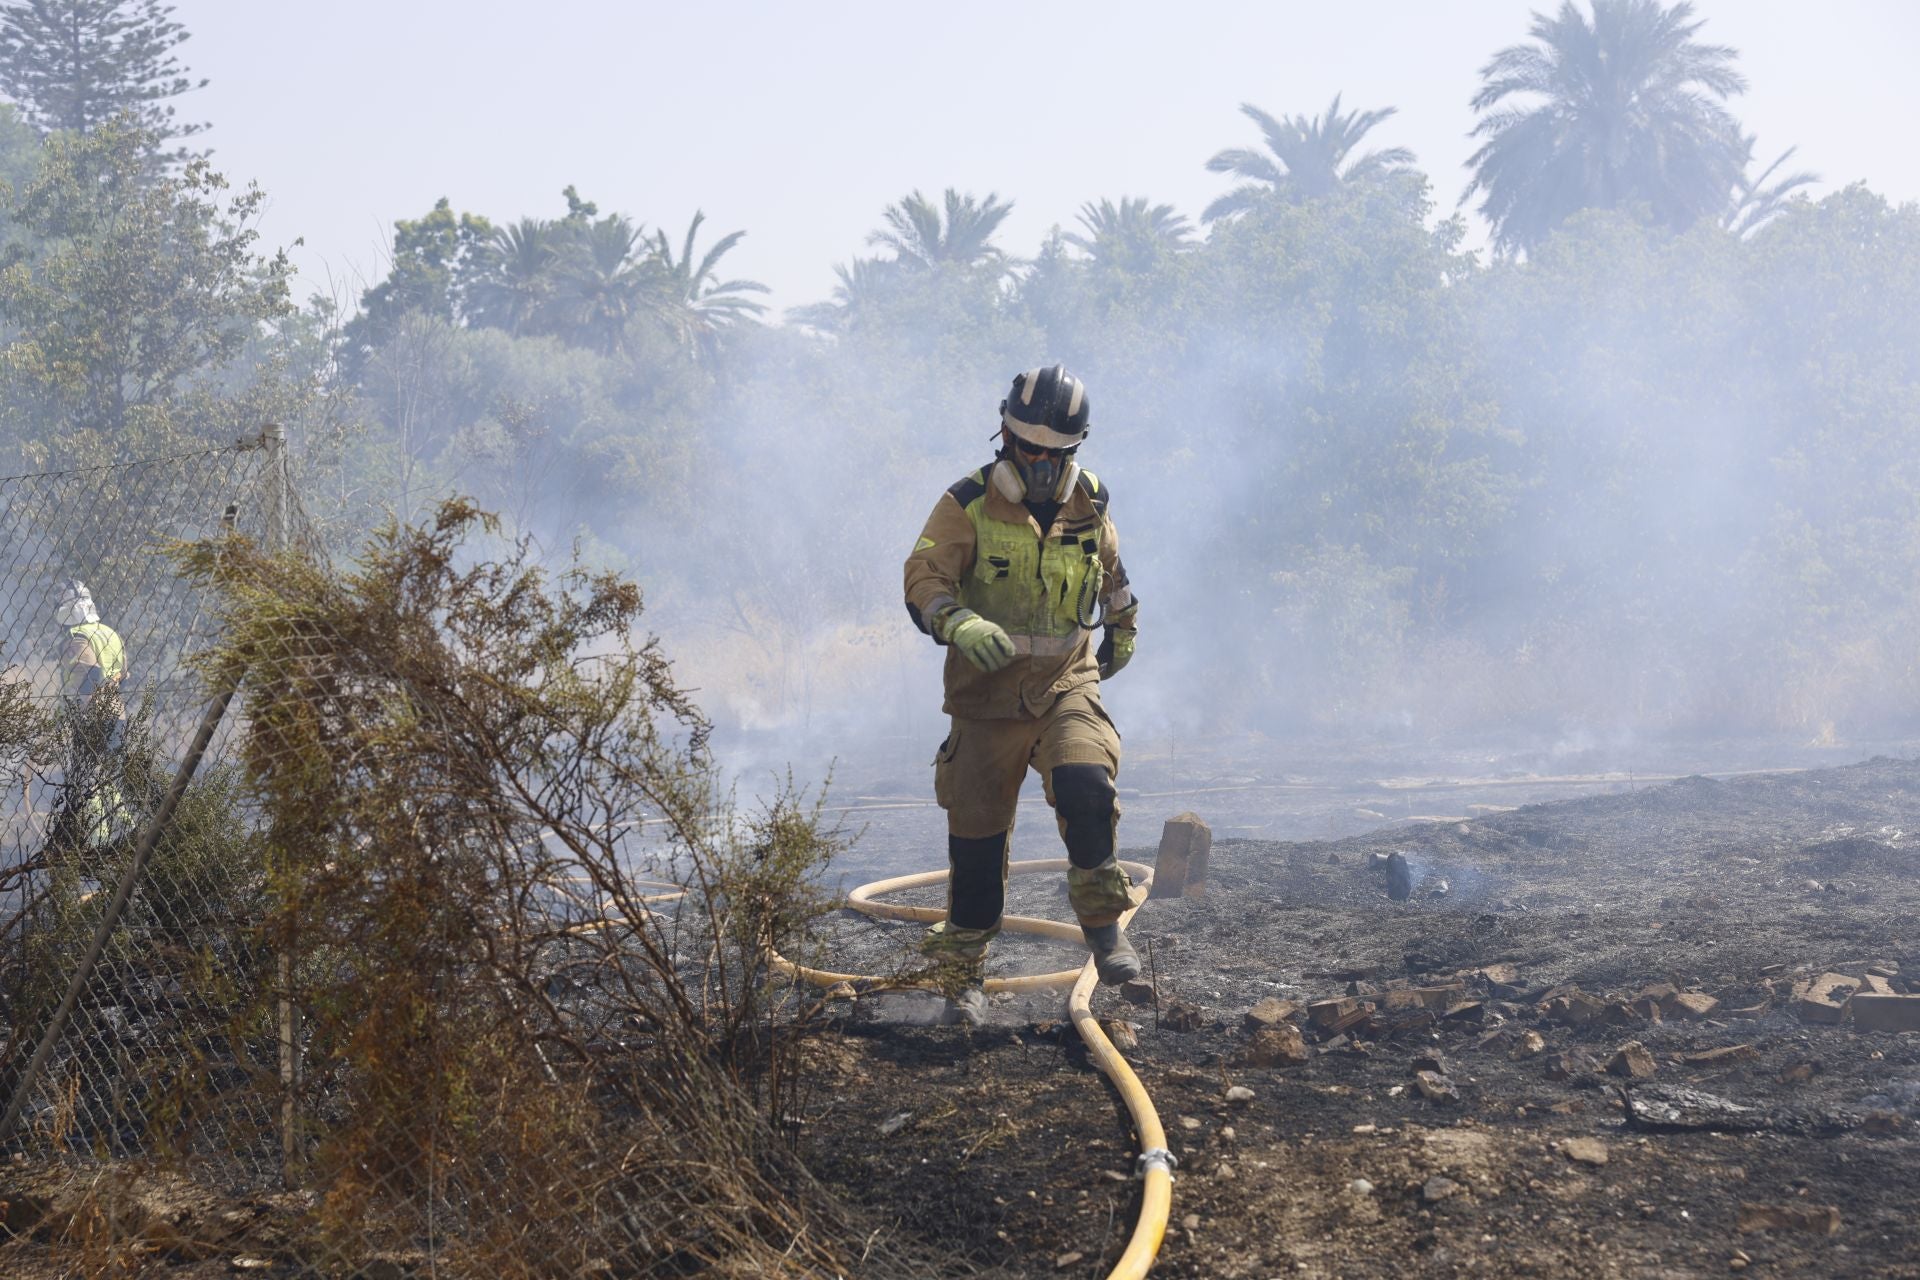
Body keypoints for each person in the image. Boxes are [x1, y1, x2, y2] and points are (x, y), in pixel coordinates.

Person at [903, 365, 1142, 1024]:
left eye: (1051, 453)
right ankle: (962, 980)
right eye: (1026, 448)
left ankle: (1104, 929)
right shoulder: (967, 503)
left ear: (1072, 451)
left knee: (1087, 787)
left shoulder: (1091, 501)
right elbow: (923, 576)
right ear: (1005, 437)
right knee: (977, 850)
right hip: (987, 700)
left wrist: (1124, 625)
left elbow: (1110, 570)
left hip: (1066, 683)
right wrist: (957, 620)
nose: (1036, 463)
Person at [50, 579, 128, 850]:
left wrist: (78, 714)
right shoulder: (109, 633)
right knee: (107, 777)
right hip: (117, 713)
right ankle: (129, 832)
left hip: (91, 716)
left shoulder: (78, 638)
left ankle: (99, 843)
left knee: (89, 780)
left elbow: (90, 677)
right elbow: (123, 674)